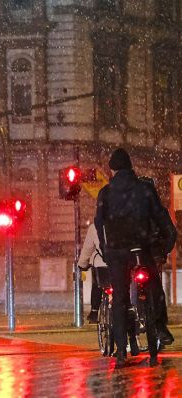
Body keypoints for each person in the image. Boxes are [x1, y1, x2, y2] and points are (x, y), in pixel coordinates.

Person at [94, 148, 177, 367]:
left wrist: (105, 249)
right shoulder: (145, 188)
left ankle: (121, 351)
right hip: (141, 248)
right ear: (131, 167)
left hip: (117, 252)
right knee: (154, 288)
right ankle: (159, 329)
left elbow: (99, 223)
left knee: (120, 300)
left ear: (112, 169)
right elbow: (160, 217)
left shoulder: (105, 192)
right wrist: (166, 245)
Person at [78, 223, 139, 356]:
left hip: (102, 268)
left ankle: (94, 310)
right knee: (124, 301)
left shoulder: (95, 226)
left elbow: (88, 248)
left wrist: (82, 264)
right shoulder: (123, 222)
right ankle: (133, 339)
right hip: (121, 266)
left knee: (98, 282)